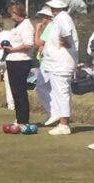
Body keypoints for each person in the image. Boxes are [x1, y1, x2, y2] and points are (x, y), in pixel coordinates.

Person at [0, 3, 35, 126]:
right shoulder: (17, 26)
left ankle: (24, 120)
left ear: (18, 13)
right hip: (13, 61)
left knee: (20, 91)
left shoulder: (26, 25)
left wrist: (12, 50)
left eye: (12, 14)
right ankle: (19, 119)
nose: (11, 17)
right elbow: (7, 45)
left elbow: (28, 44)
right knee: (15, 91)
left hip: (21, 61)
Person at [43, 0, 79, 135]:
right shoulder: (61, 18)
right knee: (60, 92)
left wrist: (64, 43)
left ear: (53, 8)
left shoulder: (62, 18)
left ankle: (64, 124)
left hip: (61, 63)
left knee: (62, 92)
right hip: (58, 63)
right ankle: (62, 122)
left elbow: (66, 35)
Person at [34, 6, 59, 126]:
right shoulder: (52, 27)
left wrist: (37, 30)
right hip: (47, 61)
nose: (40, 19)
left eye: (42, 17)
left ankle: (53, 112)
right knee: (49, 88)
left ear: (46, 17)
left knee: (40, 87)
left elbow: (38, 43)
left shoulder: (49, 26)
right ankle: (52, 113)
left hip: (47, 63)